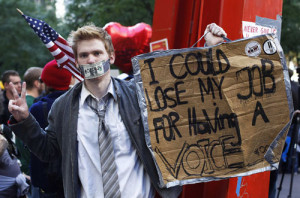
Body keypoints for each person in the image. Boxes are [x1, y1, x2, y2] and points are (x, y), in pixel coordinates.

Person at [7, 23, 226, 197]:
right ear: (76, 61)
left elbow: (188, 92)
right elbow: (48, 151)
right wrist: (25, 119)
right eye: (84, 55)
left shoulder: (140, 95)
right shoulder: (63, 106)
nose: (91, 59)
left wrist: (212, 49)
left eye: (96, 53)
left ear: (110, 57)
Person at [29, 59, 71, 198]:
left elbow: (30, 142)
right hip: (73, 177)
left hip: (46, 181)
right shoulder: (78, 104)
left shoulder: (37, 108)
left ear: (47, 82)